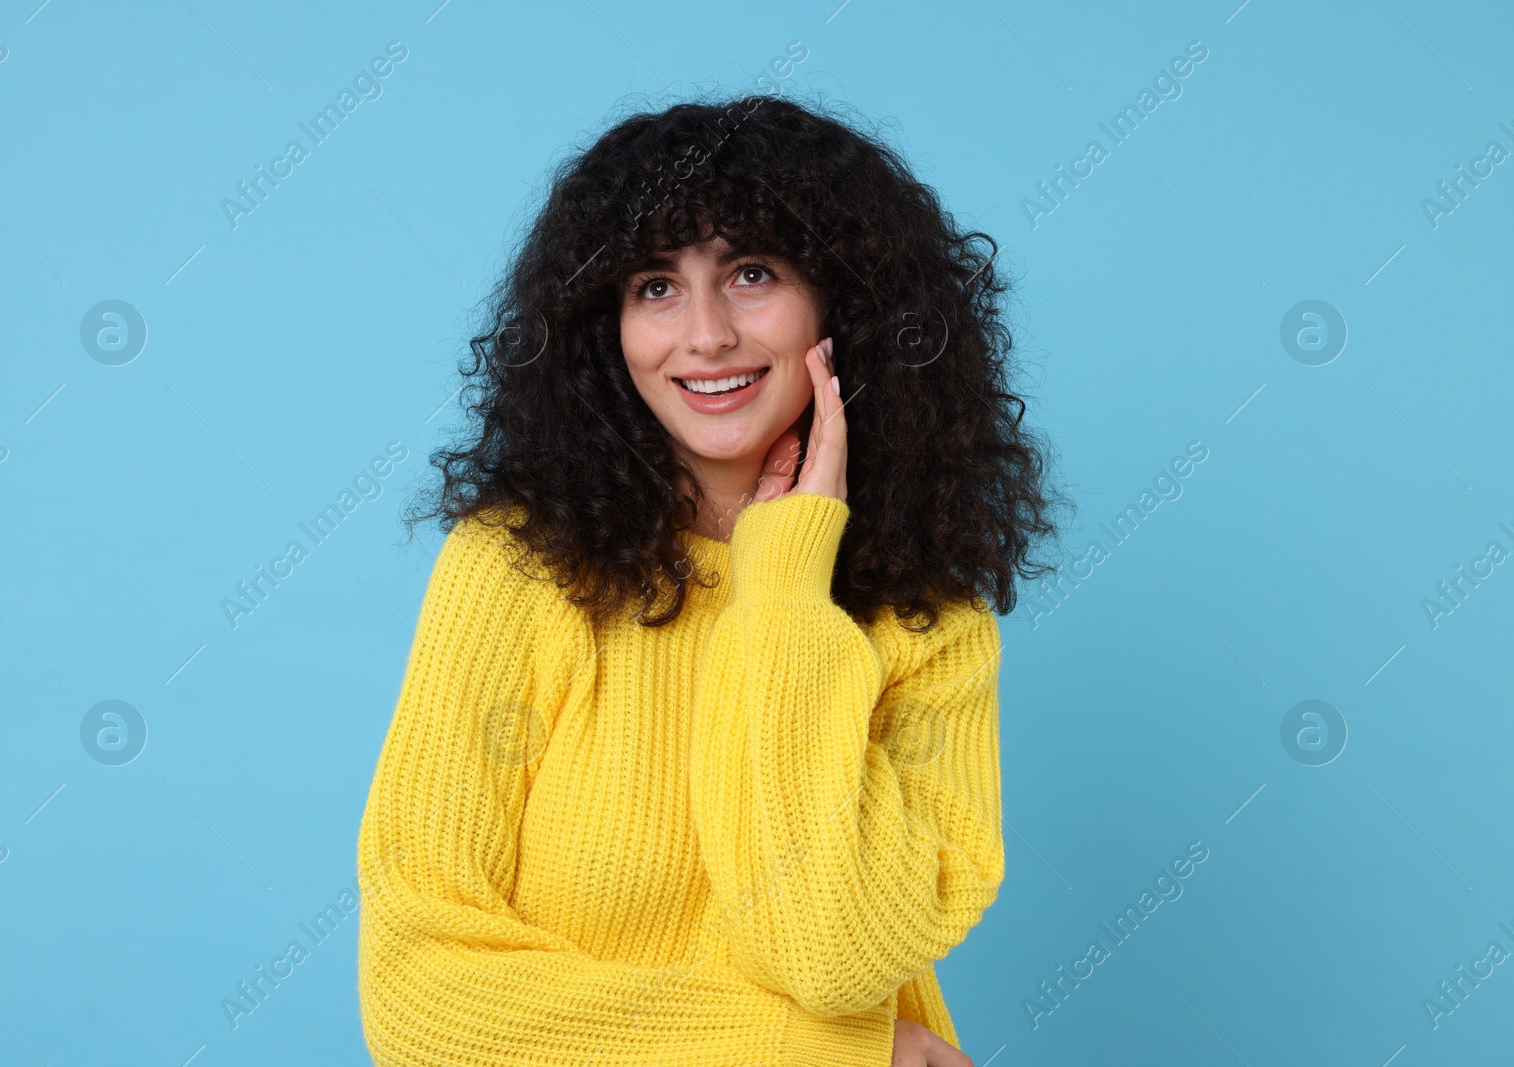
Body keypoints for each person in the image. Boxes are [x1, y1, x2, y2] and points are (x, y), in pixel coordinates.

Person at [356, 91, 1063, 1066]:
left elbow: (825, 951)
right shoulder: (515, 571)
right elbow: (419, 993)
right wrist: (820, 1052)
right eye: (654, 285)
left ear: (841, 300)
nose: (705, 333)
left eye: (751, 273)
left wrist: (779, 593)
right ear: (604, 323)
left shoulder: (927, 626)